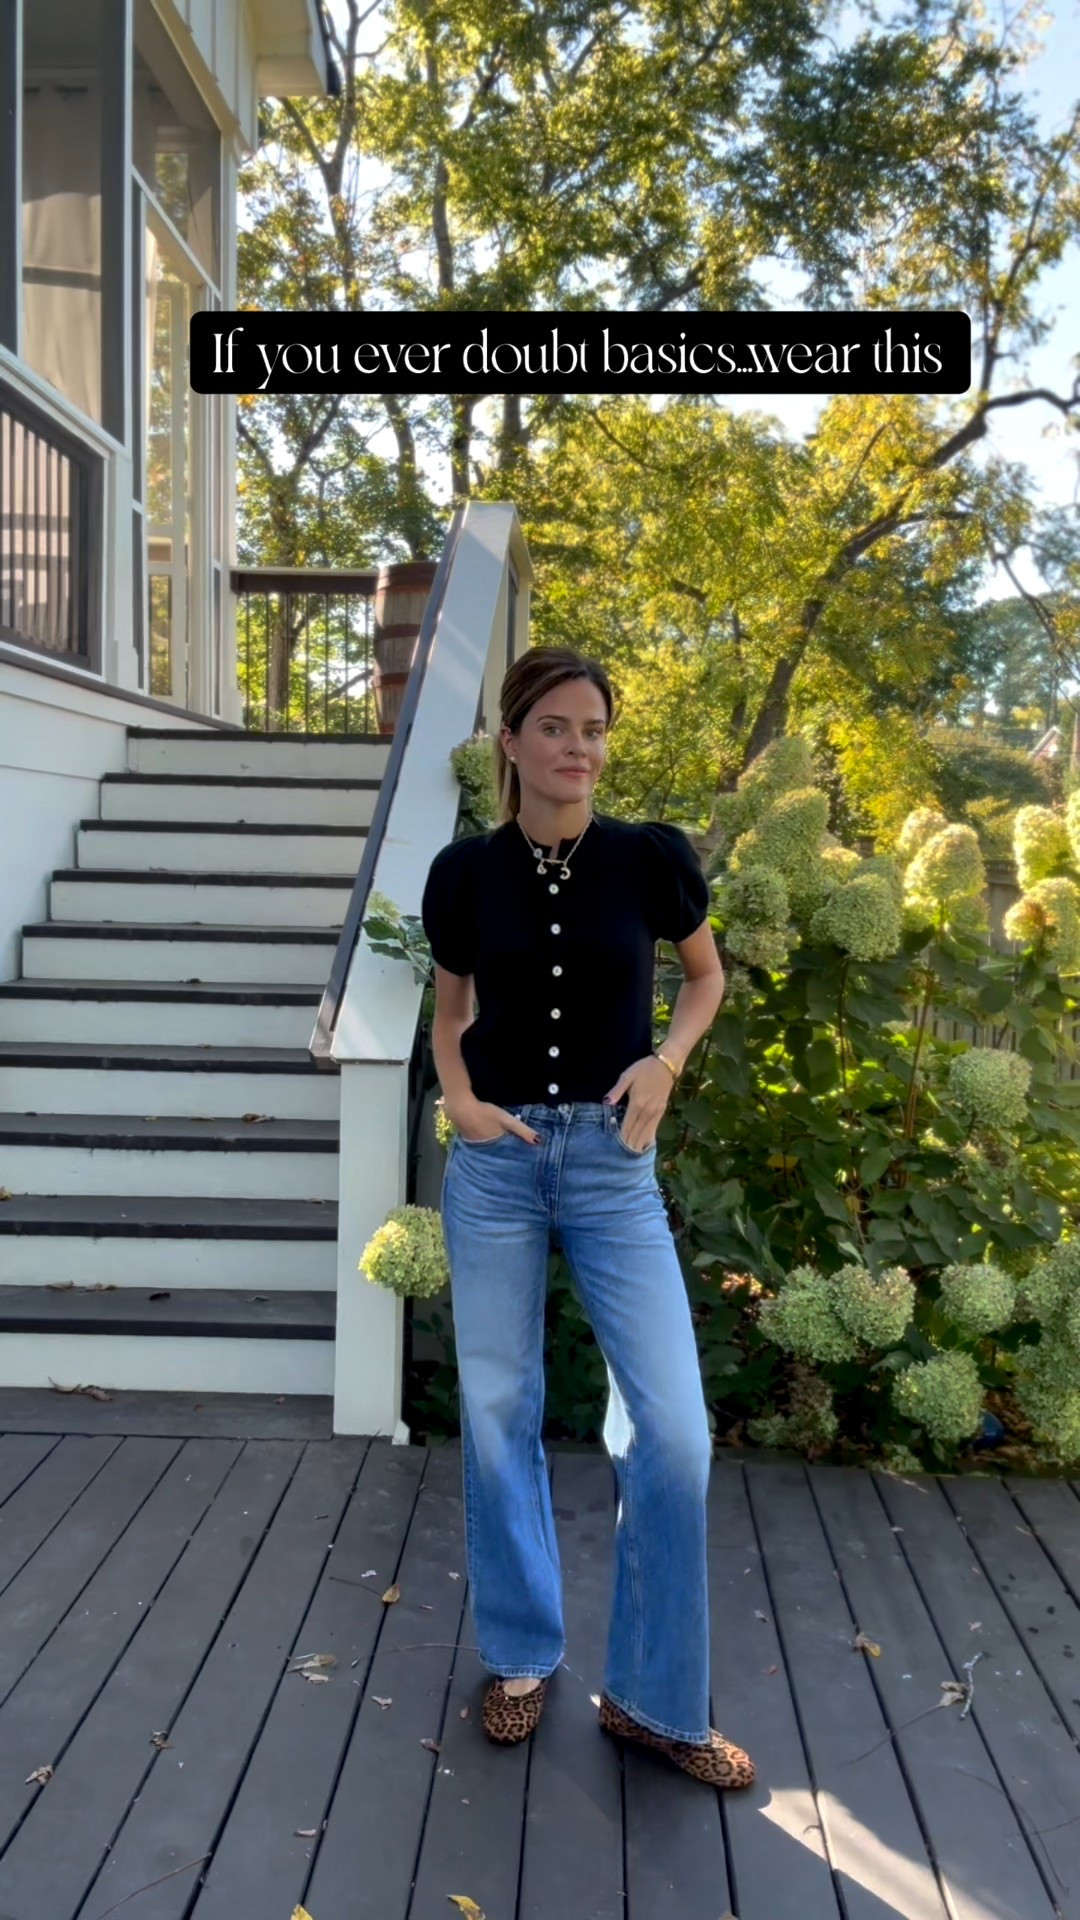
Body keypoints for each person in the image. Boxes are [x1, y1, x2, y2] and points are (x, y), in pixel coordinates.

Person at [420, 645, 755, 1789]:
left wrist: (666, 1061)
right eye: (556, 727)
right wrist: (458, 1101)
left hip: (614, 1163)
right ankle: (520, 1656)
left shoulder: (650, 862)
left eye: (595, 728)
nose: (580, 747)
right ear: (510, 743)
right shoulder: (464, 874)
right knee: (502, 1403)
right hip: (502, 1163)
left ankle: (655, 1702)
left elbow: (703, 979)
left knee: (671, 1430)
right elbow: (451, 1004)